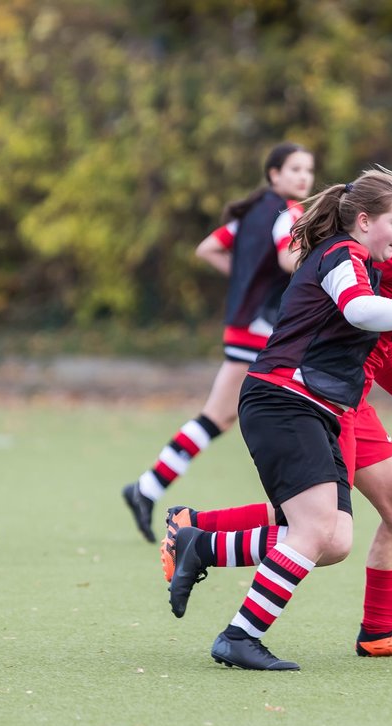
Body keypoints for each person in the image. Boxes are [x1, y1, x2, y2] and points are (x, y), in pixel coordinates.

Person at [169, 167, 392, 671]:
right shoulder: (342, 254)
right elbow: (359, 311)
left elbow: (366, 331)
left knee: (332, 539)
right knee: (313, 531)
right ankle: (237, 630)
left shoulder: (360, 259)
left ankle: (201, 545)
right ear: (363, 220)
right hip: (286, 400)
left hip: (316, 406)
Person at [122, 143, 315, 543]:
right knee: (218, 416)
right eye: (294, 169)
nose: (303, 177)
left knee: (219, 418)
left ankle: (147, 488)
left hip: (244, 325)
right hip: (258, 330)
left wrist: (245, 278)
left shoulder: (247, 216)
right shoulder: (289, 214)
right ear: (273, 174)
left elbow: (207, 248)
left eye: (308, 170)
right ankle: (146, 489)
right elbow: (285, 260)